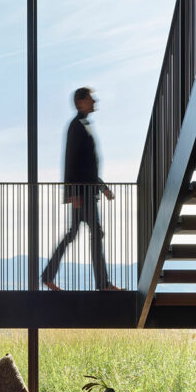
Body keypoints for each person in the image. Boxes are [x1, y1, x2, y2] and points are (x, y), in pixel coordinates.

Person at [42, 87, 119, 291]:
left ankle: (48, 275)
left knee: (76, 233)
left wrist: (102, 187)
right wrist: (73, 194)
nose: (94, 101)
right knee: (93, 232)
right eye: (91, 99)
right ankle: (102, 284)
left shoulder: (83, 125)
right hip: (82, 193)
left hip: (86, 191)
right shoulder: (76, 126)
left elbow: (88, 165)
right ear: (81, 102)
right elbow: (71, 161)